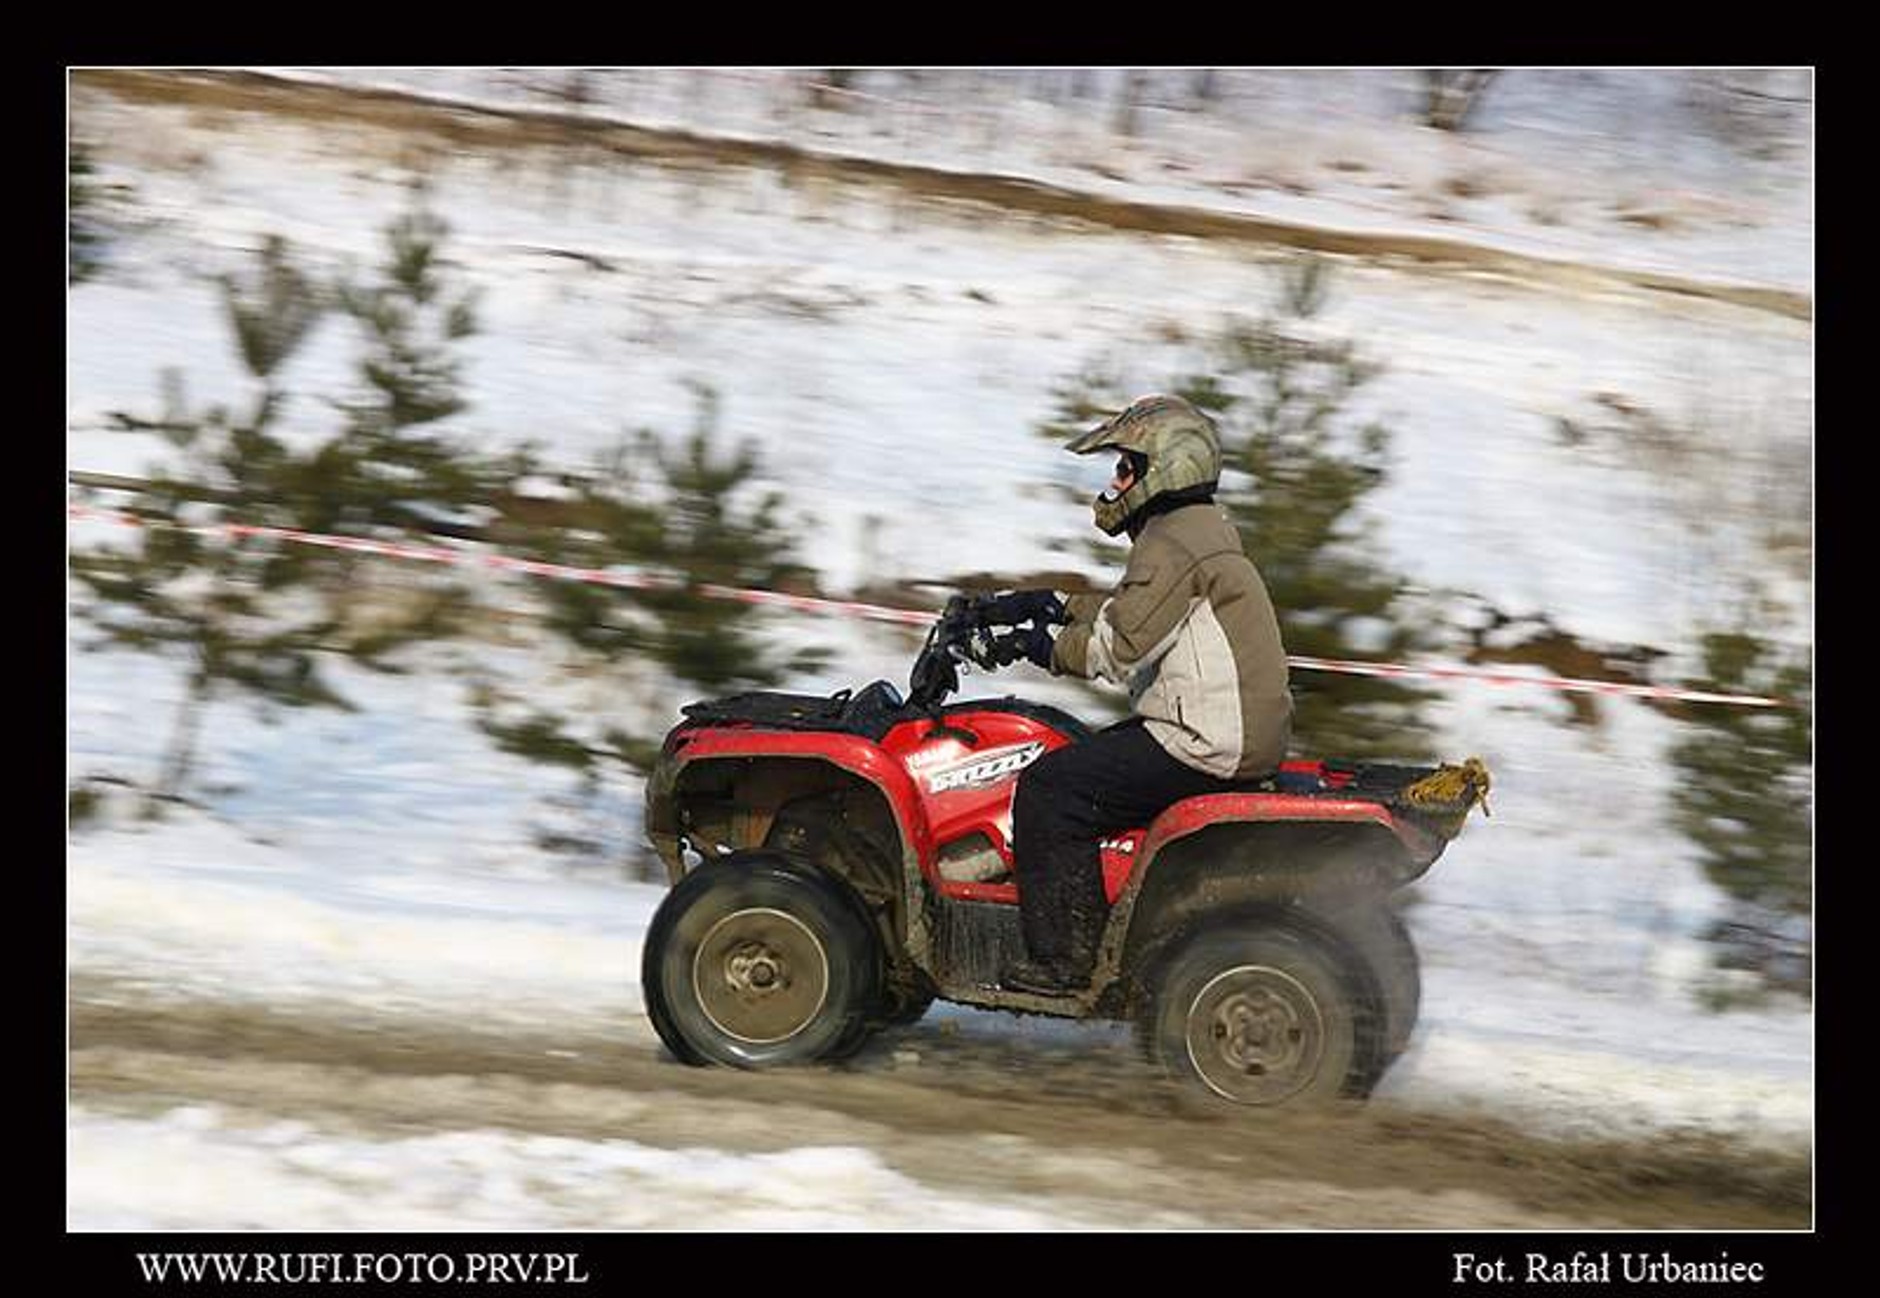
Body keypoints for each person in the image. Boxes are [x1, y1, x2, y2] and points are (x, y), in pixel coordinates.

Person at [967, 394, 1294, 995]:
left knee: (1051, 789)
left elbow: (1115, 650)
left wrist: (1027, 646)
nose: (1114, 481)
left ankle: (1066, 961)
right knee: (1079, 754)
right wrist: (1046, 604)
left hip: (1204, 740)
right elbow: (1140, 612)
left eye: (1125, 467)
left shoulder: (1171, 543)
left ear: (1163, 471)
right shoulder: (1192, 530)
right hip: (1226, 730)